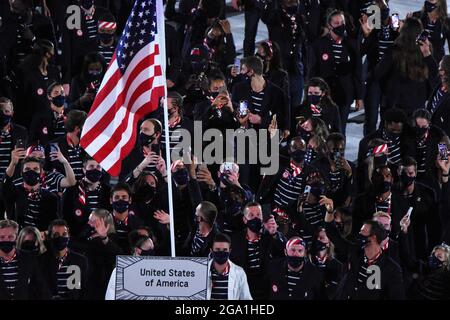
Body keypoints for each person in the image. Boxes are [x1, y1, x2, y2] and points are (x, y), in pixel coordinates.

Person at [308, 9, 364, 134]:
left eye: (342, 22)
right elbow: (312, 71)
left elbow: (357, 72)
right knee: (322, 128)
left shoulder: (352, 44)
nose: (341, 26)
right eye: (337, 23)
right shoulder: (318, 45)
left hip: (345, 94)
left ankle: (339, 152)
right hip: (324, 95)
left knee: (340, 128)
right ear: (330, 25)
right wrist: (310, 94)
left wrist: (359, 97)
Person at [325, 218, 406, 300]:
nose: (359, 234)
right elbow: (332, 234)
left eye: (362, 232)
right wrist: (329, 211)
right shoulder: (355, 252)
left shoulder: (390, 268)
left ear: (373, 237)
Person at [374, 17, 439, 115]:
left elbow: (378, 73)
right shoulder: (425, 50)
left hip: (393, 104)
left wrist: (386, 90)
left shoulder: (394, 50)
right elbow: (435, 76)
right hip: (417, 105)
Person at [230, 202, 286, 300]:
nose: (256, 218)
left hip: (268, 291)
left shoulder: (271, 237)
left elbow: (285, 252)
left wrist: (274, 234)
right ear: (244, 220)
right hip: (244, 290)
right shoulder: (235, 241)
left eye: (258, 215)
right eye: (251, 215)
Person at [359, 1, 399, 135]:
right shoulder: (373, 22)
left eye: (384, 8)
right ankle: (369, 149)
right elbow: (362, 51)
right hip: (374, 78)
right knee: (371, 119)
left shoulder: (395, 21)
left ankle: (384, 147)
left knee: (387, 118)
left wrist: (401, 32)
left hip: (391, 79)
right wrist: (367, 36)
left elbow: (402, 45)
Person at [72, 209, 122, 300]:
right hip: (81, 282)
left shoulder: (110, 239)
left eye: (93, 221)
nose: (89, 223)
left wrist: (104, 237)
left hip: (99, 286)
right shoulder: (85, 235)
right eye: (89, 220)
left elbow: (117, 254)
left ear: (105, 223)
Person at [1, 156, 59, 230]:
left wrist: (46, 233)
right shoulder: (14, 192)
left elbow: (55, 224)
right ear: (21, 173)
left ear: (41, 173)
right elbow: (5, 184)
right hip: (18, 238)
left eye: (35, 169)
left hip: (41, 239)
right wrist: (13, 164)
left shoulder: (51, 197)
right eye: (27, 169)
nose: (31, 172)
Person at [0, 219, 50, 300]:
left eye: (10, 237)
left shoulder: (28, 258)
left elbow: (41, 288)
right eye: (2, 237)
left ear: (16, 238)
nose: (6, 240)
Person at [62, 156, 112, 237]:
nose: (95, 169)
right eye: (91, 166)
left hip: (101, 235)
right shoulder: (72, 190)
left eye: (98, 167)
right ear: (84, 169)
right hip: (77, 236)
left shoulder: (108, 191)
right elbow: (65, 214)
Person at [40, 219, 88, 300]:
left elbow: (84, 291)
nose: (60, 237)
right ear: (50, 237)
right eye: (56, 235)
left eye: (64, 234)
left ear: (69, 236)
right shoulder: (42, 260)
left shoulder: (80, 261)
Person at [104, 233, 155, 300]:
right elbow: (110, 296)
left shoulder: (155, 272)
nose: (151, 255)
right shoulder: (120, 271)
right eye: (148, 251)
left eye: (152, 250)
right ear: (137, 250)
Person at [207, 233, 253, 300]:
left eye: (225, 250)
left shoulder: (239, 273)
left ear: (230, 251)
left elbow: (246, 298)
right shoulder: (201, 271)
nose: (221, 253)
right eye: (217, 249)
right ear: (211, 251)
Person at [50, 109, 87, 180]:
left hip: (84, 187)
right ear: (77, 128)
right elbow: (55, 174)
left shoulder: (88, 146)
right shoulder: (54, 146)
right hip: (65, 188)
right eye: (86, 127)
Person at [29, 82, 67, 146]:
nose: (60, 95)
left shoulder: (70, 115)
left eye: (62, 92)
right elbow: (32, 141)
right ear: (49, 96)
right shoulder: (39, 117)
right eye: (56, 93)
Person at [109, 183, 144, 253]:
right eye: (117, 197)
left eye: (124, 197)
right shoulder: (103, 221)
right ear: (111, 200)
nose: (120, 200)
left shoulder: (139, 223)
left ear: (130, 200)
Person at [0, 97, 28, 179]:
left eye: (6, 111)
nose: (2, 114)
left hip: (12, 181)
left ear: (12, 113)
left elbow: (22, 159)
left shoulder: (21, 131)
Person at [427, 54, 450, 137]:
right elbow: (433, 70)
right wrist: (427, 53)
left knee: (442, 150)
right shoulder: (440, 84)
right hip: (433, 133)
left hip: (443, 137)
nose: (438, 68)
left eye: (440, 66)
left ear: (444, 70)